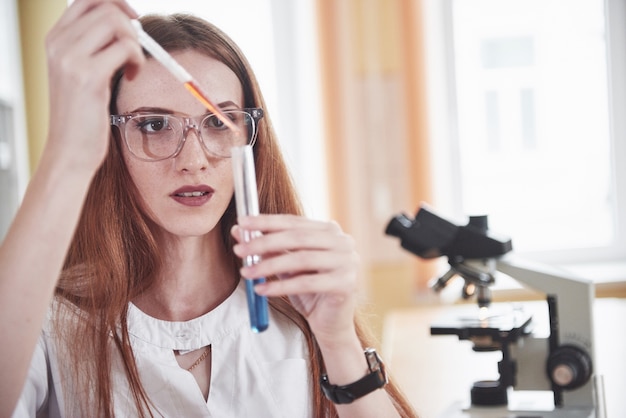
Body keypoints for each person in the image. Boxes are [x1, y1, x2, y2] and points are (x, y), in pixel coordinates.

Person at [0, 0, 419, 417]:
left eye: (218, 122)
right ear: (110, 142)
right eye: (154, 125)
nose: (194, 159)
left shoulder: (297, 304)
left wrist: (339, 339)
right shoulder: (45, 321)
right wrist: (66, 156)